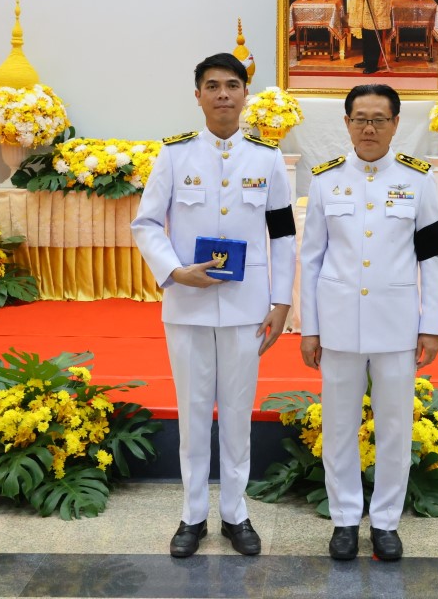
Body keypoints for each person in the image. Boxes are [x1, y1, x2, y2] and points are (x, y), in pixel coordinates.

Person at [131, 53, 297, 558]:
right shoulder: (174, 155)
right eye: (212, 86)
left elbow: (283, 234)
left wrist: (281, 301)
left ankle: (236, 514)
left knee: (239, 414)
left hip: (247, 308)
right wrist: (174, 271)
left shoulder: (267, 158)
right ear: (198, 95)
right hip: (188, 305)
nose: (223, 94)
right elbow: (146, 223)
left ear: (246, 94)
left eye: (232, 85)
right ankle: (192, 515)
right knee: (194, 412)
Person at [298, 83, 438, 561]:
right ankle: (345, 519)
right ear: (346, 123)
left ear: (395, 124)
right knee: (339, 428)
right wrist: (309, 327)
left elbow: (433, 258)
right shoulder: (325, 180)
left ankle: (386, 522)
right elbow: (312, 258)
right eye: (360, 119)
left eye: (379, 119)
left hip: (396, 326)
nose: (369, 128)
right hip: (338, 325)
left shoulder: (419, 181)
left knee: (394, 429)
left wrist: (432, 324)